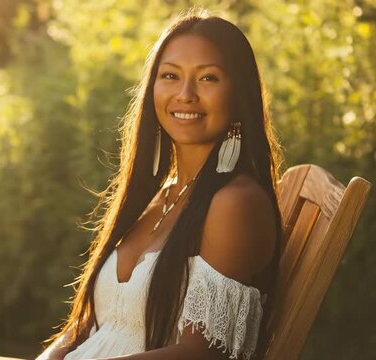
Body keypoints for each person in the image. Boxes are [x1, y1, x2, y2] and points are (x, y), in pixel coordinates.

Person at [36, 10, 283, 360]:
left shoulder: (234, 203)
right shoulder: (160, 193)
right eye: (170, 75)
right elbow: (91, 323)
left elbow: (202, 355)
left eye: (208, 78)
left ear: (238, 94)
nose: (185, 94)